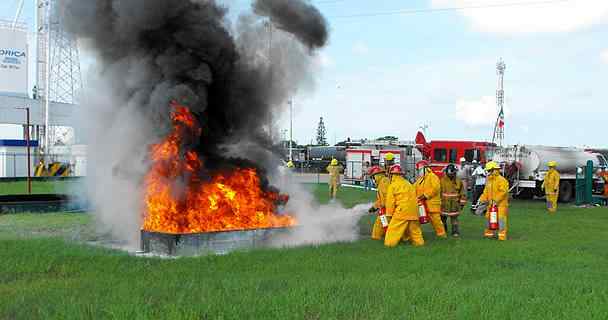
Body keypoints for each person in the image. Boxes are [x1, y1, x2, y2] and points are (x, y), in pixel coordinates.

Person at [384, 164, 424, 247]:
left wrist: (389, 215)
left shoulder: (392, 186)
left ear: (392, 175)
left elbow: (390, 202)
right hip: (414, 210)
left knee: (393, 230)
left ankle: (389, 245)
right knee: (415, 231)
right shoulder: (408, 184)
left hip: (402, 211)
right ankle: (420, 244)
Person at [415, 160, 447, 238]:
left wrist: (425, 195)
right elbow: (414, 188)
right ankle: (416, 235)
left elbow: (435, 188)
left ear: (423, 169)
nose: (417, 172)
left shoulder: (432, 176)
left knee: (436, 221)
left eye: (418, 170)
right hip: (422, 204)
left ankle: (442, 234)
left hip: (432, 204)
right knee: (417, 220)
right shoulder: (420, 179)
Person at [479, 161, 510, 241]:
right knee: (488, 218)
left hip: (501, 205)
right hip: (491, 204)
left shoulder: (501, 180)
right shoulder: (489, 180)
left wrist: (496, 200)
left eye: (489, 170)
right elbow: (486, 192)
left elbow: (503, 192)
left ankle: (502, 236)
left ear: (494, 170)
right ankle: (488, 234)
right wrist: (482, 200)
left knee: (500, 219)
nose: (488, 172)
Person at [440, 164, 467, 237]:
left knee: (454, 219)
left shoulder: (458, 181)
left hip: (454, 205)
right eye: (449, 173)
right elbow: (438, 192)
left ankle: (455, 232)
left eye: (452, 173)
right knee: (442, 219)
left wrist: (462, 203)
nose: (451, 175)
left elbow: (462, 193)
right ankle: (443, 231)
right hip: (444, 204)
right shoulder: (442, 181)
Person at [368, 166, 391, 240]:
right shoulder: (383, 182)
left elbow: (387, 197)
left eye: (373, 177)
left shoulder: (384, 182)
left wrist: (380, 206)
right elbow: (381, 199)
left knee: (379, 224)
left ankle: (376, 237)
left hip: (389, 208)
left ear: (376, 175)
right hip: (388, 208)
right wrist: (374, 207)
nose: (373, 180)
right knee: (388, 224)